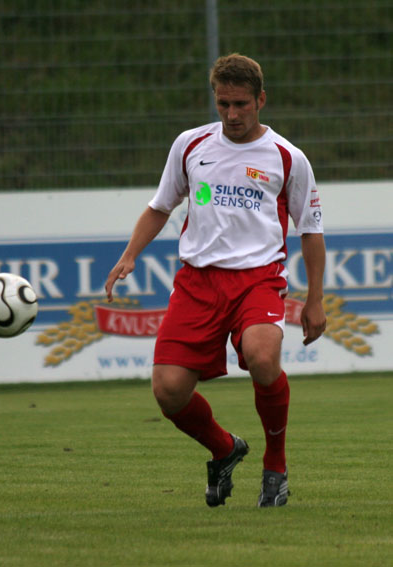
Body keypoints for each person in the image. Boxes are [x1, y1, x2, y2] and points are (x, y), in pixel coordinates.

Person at [105, 53, 326, 508]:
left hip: (258, 280)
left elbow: (311, 230)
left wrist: (316, 300)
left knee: (262, 357)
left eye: (241, 104)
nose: (231, 114)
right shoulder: (190, 145)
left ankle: (276, 465)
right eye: (223, 103)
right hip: (197, 283)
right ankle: (225, 449)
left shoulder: (287, 157)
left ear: (261, 100)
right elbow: (160, 206)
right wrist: (130, 254)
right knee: (168, 391)